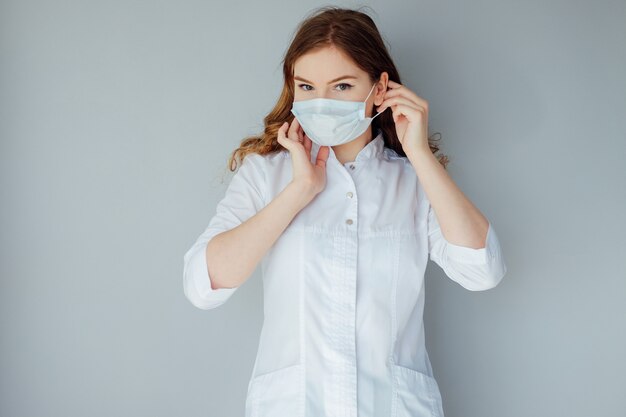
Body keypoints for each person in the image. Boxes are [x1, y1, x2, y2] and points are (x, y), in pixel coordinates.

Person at [183, 6, 507, 417]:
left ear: (380, 87)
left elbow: (483, 271)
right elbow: (201, 285)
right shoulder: (267, 175)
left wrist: (419, 154)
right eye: (306, 86)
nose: (321, 102)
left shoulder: (413, 183)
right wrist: (300, 190)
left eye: (341, 86)